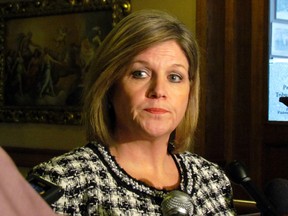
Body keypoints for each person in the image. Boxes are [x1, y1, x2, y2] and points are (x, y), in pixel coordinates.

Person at [29, 10, 236, 215]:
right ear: (109, 86)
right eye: (140, 73)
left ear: (189, 92)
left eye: (174, 77)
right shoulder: (63, 181)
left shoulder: (211, 178)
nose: (159, 91)